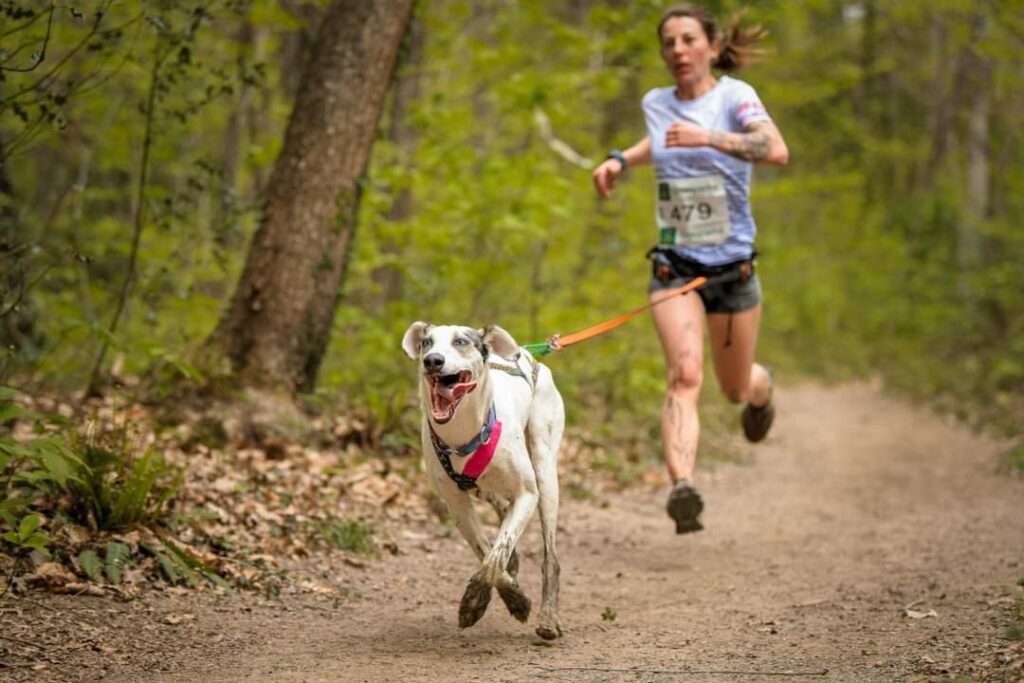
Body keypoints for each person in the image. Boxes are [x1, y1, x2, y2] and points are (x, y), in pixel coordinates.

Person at [592, 3, 789, 534]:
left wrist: (711, 138)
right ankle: (683, 485)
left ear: (711, 45)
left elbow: (775, 150)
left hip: (733, 272)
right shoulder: (656, 103)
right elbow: (658, 143)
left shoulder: (735, 98)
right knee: (684, 373)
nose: (677, 51)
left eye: (687, 40)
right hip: (675, 267)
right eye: (668, 43)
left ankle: (761, 387)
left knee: (732, 389)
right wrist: (619, 160)